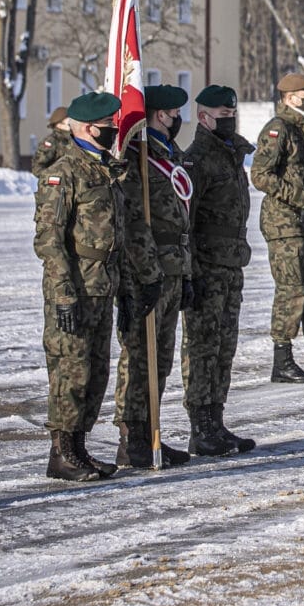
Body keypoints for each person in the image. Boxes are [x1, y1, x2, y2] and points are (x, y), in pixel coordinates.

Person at [33, 91, 154, 482]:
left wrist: (136, 283)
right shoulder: (64, 171)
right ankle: (61, 452)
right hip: (76, 287)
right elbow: (49, 240)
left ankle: (79, 448)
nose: (114, 130)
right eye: (108, 126)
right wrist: (64, 294)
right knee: (70, 371)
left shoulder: (107, 168)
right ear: (87, 127)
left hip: (105, 284)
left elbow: (123, 232)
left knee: (94, 371)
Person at [114, 85, 195, 469]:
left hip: (173, 264)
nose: (179, 118)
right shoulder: (139, 156)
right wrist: (145, 274)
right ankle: (131, 437)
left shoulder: (167, 153)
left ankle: (152, 433)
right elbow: (133, 222)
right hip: (147, 268)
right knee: (138, 355)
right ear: (161, 115)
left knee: (161, 357)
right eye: (175, 112)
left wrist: (186, 270)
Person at [183, 83, 256, 457]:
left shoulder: (230, 155)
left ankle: (216, 418)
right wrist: (189, 273)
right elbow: (187, 222)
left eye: (232, 116)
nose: (228, 121)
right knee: (203, 346)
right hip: (207, 266)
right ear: (203, 117)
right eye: (222, 116)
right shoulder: (196, 160)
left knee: (225, 346)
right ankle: (200, 425)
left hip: (231, 264)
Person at [250, 73, 304, 384]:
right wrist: (299, 196)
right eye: (303, 94)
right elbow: (260, 175)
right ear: (288, 97)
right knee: (291, 290)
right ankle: (282, 359)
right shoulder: (279, 129)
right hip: (284, 222)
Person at [31, 105, 70, 176]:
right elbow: (37, 168)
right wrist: (57, 176)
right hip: (57, 185)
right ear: (59, 124)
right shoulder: (51, 141)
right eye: (69, 122)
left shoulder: (74, 139)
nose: (72, 124)